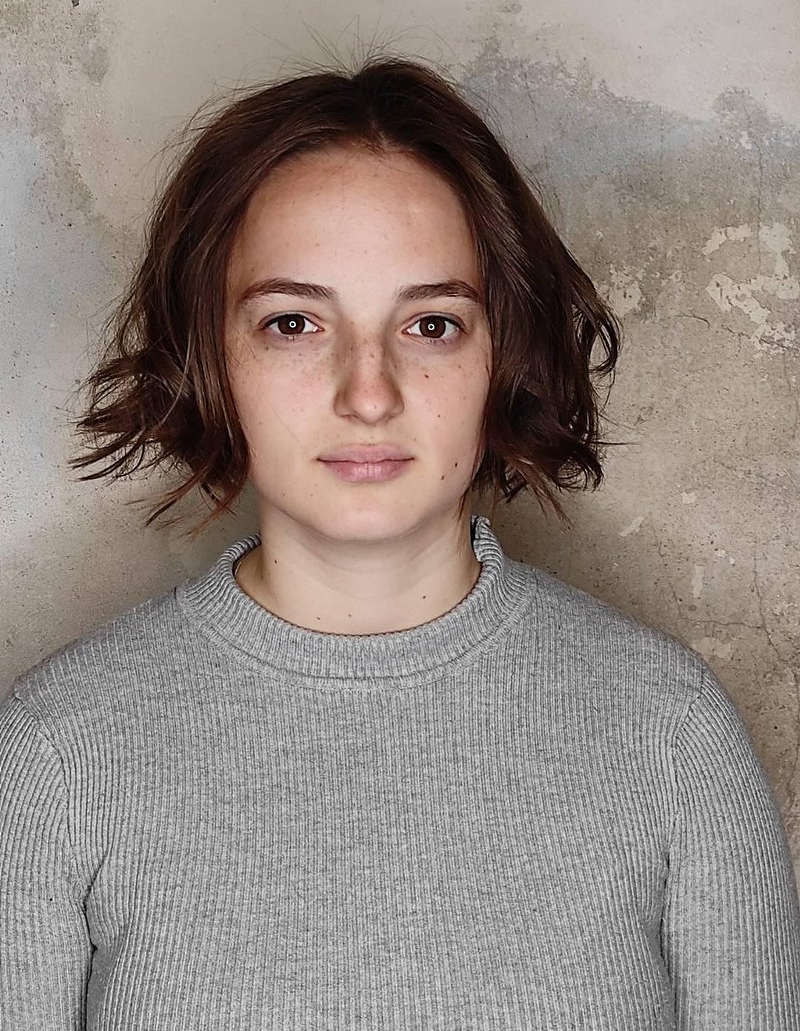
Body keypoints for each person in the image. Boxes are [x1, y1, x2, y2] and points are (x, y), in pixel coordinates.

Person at [1, 53, 798, 1030]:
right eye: (294, 322)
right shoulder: (59, 751)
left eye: (430, 325)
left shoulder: (668, 735)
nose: (368, 393)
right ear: (210, 354)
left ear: (504, 350)